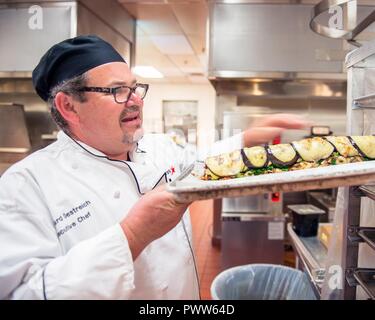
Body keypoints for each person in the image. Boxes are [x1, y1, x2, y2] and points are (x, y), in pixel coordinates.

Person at [0, 35, 309, 300]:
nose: (136, 101)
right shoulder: (26, 186)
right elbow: (26, 292)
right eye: (118, 90)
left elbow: (201, 163)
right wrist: (132, 234)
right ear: (69, 106)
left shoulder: (159, 146)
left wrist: (248, 137)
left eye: (136, 88)